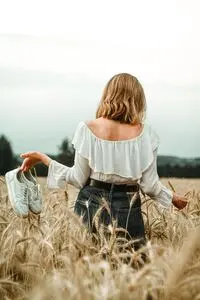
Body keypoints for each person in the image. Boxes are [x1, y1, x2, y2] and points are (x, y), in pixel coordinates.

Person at [20, 73, 187, 249]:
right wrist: (172, 197)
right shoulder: (146, 134)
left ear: (108, 95)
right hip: (128, 209)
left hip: (89, 204)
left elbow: (78, 178)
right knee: (130, 269)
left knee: (86, 266)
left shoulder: (87, 128)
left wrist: (44, 159)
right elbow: (150, 186)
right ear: (137, 99)